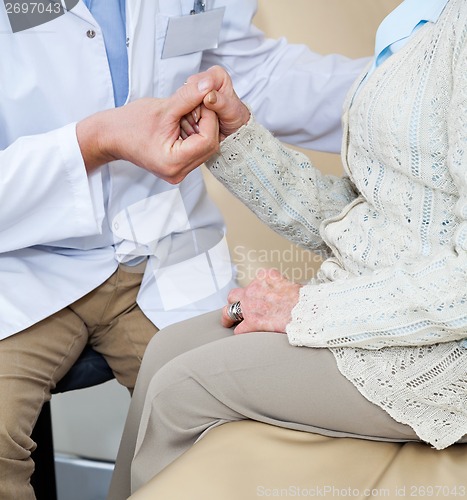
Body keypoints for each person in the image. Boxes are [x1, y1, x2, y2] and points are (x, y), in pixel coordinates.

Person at [0, 0, 368, 497]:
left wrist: (402, 84)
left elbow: (246, 73)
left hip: (162, 243)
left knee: (235, 444)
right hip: (17, 254)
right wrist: (95, 140)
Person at [108, 0, 467, 497]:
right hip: (384, 300)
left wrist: (308, 308)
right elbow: (371, 217)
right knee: (166, 350)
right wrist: (237, 140)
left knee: (181, 388)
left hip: (445, 349)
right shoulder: (420, 18)